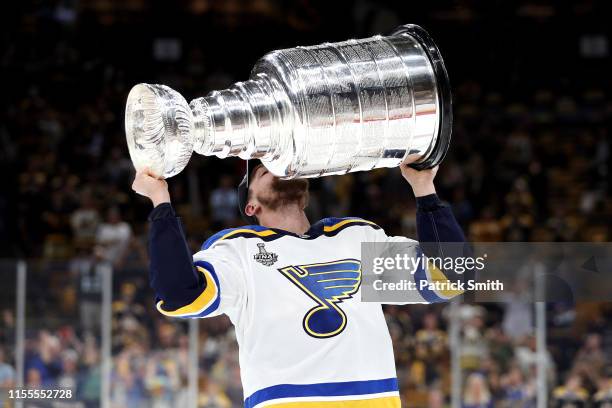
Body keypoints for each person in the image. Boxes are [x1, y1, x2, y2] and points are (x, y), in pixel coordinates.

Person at [132, 160, 468, 408]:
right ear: (251, 205)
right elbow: (178, 294)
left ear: (304, 194)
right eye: (261, 168)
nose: (271, 161)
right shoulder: (239, 249)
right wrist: (161, 202)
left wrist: (424, 189)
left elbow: (455, 275)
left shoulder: (356, 237)